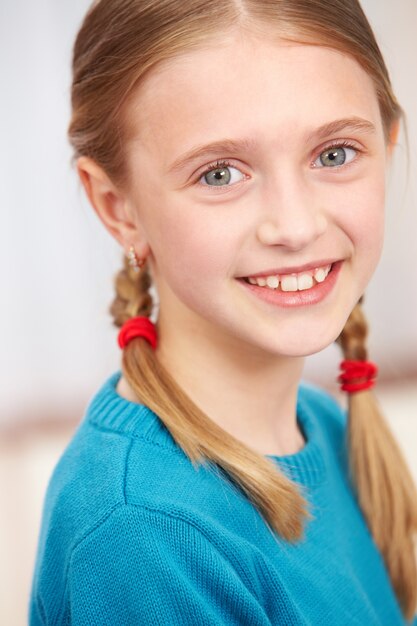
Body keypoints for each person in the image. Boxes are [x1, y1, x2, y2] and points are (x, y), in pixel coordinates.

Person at [29, 0, 417, 624]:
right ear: (117, 206)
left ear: (389, 146)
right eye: (220, 173)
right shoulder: (141, 532)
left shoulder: (322, 424)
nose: (295, 225)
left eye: (335, 154)